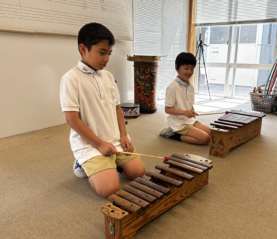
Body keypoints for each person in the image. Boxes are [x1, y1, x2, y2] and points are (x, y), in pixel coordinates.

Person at [60, 23, 145, 198]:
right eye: (102, 52)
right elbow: (72, 119)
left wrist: (123, 136)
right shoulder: (71, 78)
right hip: (90, 144)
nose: (107, 58)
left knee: (139, 172)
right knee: (110, 189)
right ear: (83, 49)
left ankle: (109, 165)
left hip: (114, 141)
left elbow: (117, 109)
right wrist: (99, 144)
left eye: (109, 53)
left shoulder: (108, 76)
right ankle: (82, 163)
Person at [160, 52, 211, 145]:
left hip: (189, 120)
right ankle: (173, 135)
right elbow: (167, 109)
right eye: (186, 68)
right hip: (178, 123)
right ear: (177, 68)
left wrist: (191, 111)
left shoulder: (190, 86)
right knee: (204, 139)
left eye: (192, 69)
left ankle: (186, 131)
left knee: (211, 133)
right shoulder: (172, 87)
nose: (189, 72)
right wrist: (185, 112)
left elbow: (190, 104)